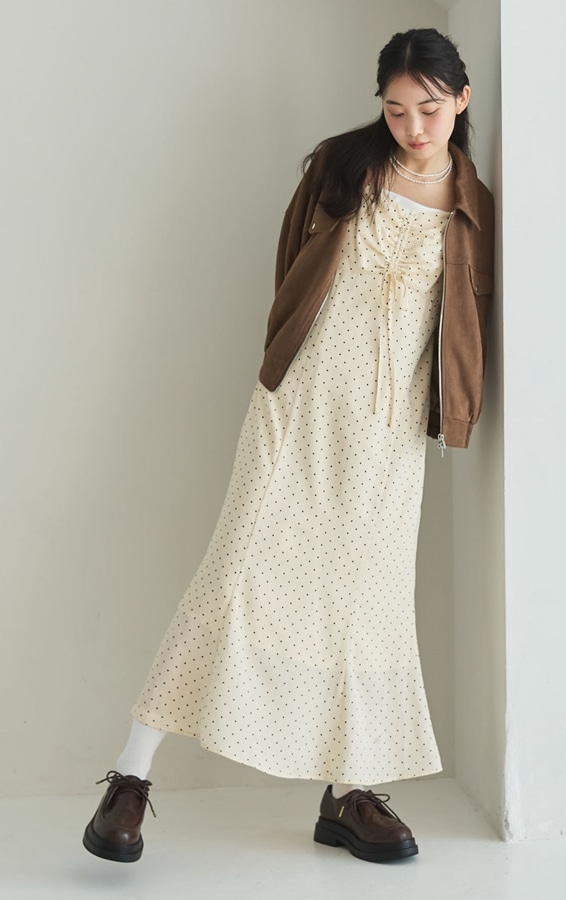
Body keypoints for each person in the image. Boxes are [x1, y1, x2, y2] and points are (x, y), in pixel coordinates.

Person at [82, 27, 494, 866]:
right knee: (234, 573)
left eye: (428, 108)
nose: (413, 127)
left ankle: (350, 792)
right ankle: (130, 776)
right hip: (298, 407)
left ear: (461, 99)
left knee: (369, 601)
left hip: (389, 433)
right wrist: (282, 363)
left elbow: (465, 323)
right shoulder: (344, 165)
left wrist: (454, 413)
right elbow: (290, 270)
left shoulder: (474, 208)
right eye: (395, 109)